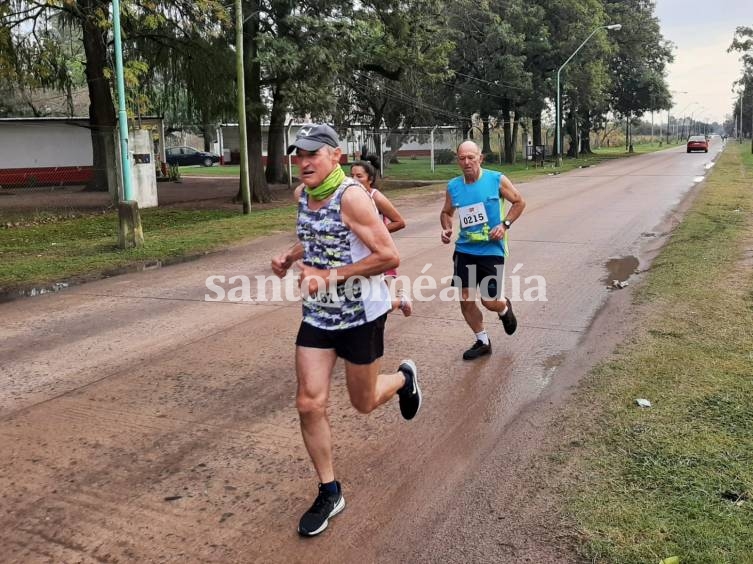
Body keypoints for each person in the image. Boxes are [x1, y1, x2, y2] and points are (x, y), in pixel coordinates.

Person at [271, 124, 422, 537]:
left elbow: (388, 253)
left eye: (312, 155)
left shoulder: (352, 197)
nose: (303, 162)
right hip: (318, 317)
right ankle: (330, 490)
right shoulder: (303, 196)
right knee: (308, 403)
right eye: (298, 155)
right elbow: (315, 237)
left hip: (361, 316)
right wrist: (290, 254)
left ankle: (404, 379)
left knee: (364, 402)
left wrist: (331, 275)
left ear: (335, 156)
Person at [439, 140, 526, 360]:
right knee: (466, 300)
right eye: (462, 158)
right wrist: (447, 228)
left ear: (480, 158)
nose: (467, 162)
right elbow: (446, 212)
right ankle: (482, 341)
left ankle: (504, 307)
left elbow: (519, 202)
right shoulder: (454, 186)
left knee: (489, 301)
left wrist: (504, 225)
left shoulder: (496, 180)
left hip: (491, 250)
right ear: (458, 160)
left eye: (471, 157)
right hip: (465, 250)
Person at [350, 157, 412, 316]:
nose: (354, 180)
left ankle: (398, 303)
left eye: (359, 176)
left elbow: (399, 222)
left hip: (376, 251)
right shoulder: (347, 197)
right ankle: (397, 303)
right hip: (356, 252)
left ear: (369, 179)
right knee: (365, 295)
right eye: (352, 176)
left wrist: (375, 233)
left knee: (375, 298)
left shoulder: (375, 196)